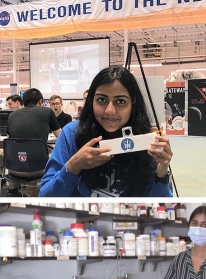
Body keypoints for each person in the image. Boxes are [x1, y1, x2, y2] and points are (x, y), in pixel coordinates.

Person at [39, 66, 173, 197]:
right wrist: (74, 166)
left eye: (120, 101)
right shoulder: (72, 134)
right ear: (92, 101)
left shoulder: (145, 139)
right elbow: (45, 197)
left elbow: (162, 209)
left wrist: (161, 174)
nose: (109, 110)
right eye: (101, 100)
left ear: (133, 104)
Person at [3, 88, 61, 197]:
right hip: (37, 170)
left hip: (12, 169)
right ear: (40, 101)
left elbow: (9, 142)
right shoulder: (47, 111)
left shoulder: (12, 115)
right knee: (40, 154)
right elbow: (62, 137)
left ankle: (12, 190)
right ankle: (32, 196)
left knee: (22, 153)